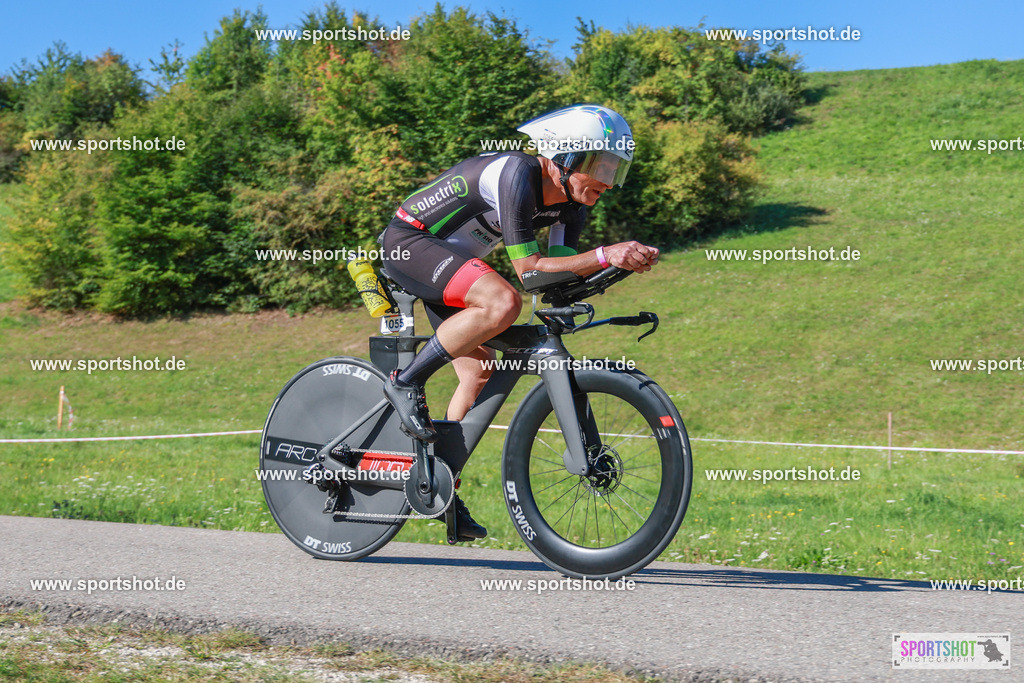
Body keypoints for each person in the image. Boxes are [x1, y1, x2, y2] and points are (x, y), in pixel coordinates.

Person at [379, 104, 660, 540]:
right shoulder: (518, 174)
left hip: (455, 264)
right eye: (599, 164)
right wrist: (607, 253)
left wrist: (618, 267)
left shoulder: (570, 205)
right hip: (411, 243)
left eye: (614, 167)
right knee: (502, 301)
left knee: (478, 373)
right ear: (564, 158)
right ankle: (403, 381)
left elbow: (556, 279)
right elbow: (529, 272)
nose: (606, 179)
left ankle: (438, 483)